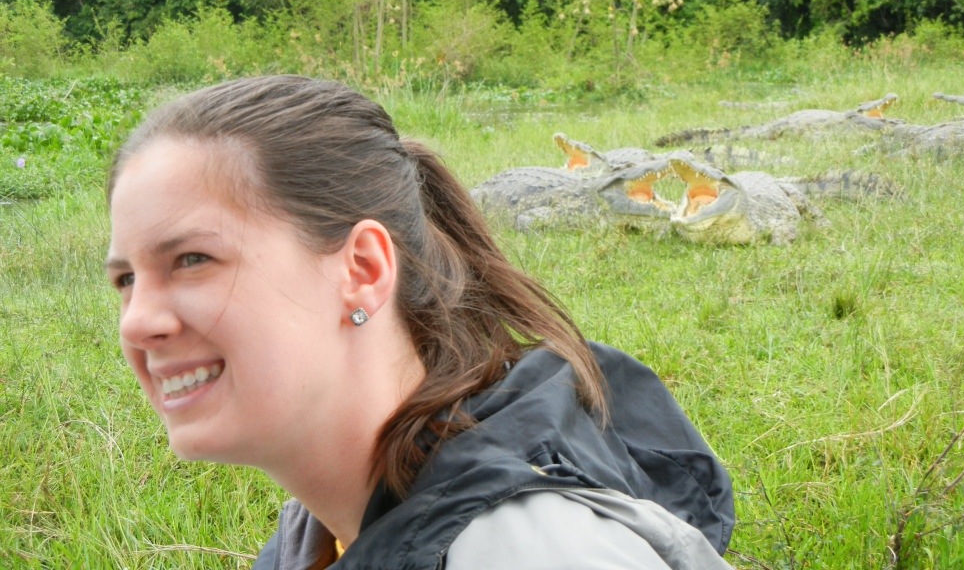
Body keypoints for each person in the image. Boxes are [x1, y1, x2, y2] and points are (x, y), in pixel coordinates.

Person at [106, 75, 735, 569]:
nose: (137, 323)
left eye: (192, 260)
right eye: (126, 278)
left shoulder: (527, 551)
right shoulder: (326, 531)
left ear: (363, 269)